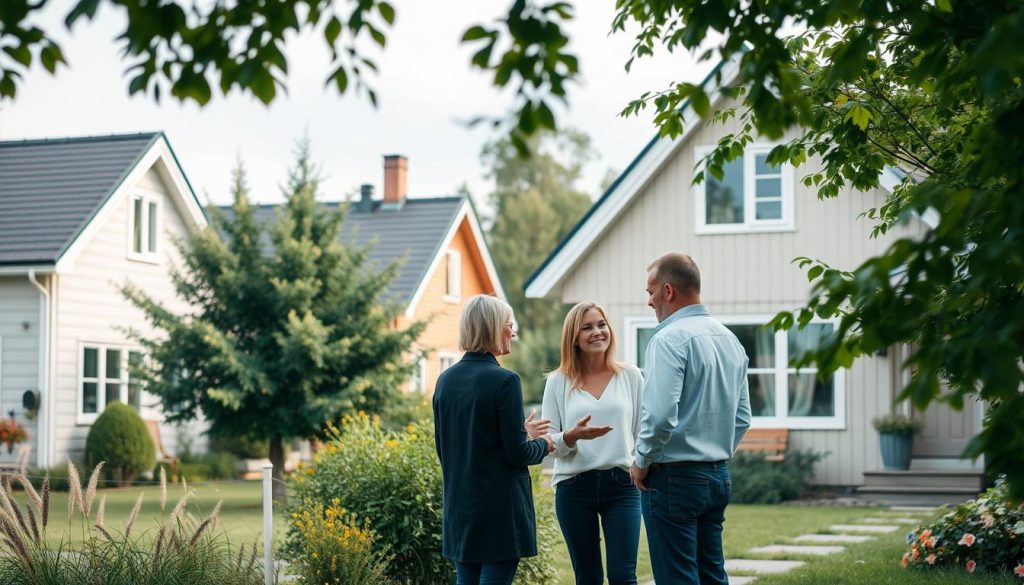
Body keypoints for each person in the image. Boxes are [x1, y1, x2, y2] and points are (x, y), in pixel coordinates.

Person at [629, 253, 752, 585]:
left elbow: (659, 416)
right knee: (713, 575)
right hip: (718, 476)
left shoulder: (668, 340)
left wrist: (641, 461)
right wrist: (713, 454)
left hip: (672, 480)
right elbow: (742, 418)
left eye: (650, 292)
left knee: (677, 578)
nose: (649, 301)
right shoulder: (731, 341)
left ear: (668, 291)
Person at [432, 294, 555, 585]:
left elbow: (452, 447)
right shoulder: (505, 381)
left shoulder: (445, 380)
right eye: (509, 325)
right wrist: (545, 444)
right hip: (499, 511)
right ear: (492, 327)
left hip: (460, 509)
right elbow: (517, 454)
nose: (513, 332)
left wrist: (521, 434)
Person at [535, 301, 644, 585]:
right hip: (574, 487)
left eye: (601, 325)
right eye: (587, 328)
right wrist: (571, 437)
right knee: (588, 578)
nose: (597, 332)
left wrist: (642, 467)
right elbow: (550, 443)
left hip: (622, 486)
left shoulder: (630, 376)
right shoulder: (558, 382)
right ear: (574, 337)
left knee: (623, 576)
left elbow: (643, 431)